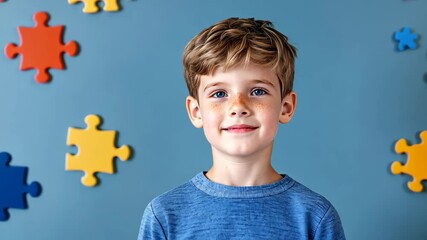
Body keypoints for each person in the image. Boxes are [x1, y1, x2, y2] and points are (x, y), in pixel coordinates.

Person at [137, 17, 346, 240]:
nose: (238, 107)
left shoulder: (314, 216)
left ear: (285, 107)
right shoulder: (164, 215)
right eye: (219, 94)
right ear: (196, 112)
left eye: (257, 91)